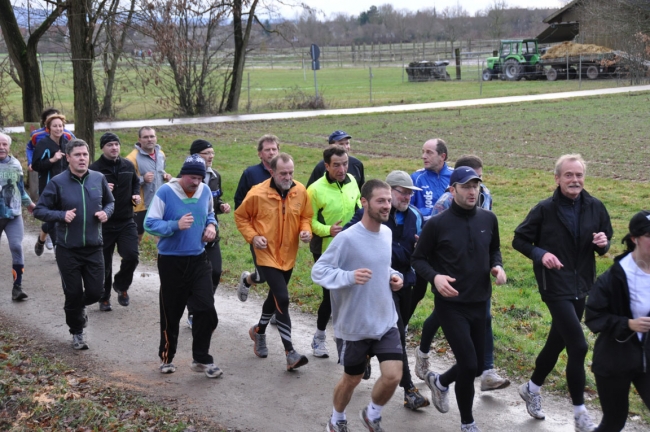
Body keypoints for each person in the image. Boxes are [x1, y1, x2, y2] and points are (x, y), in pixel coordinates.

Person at [513, 154, 613, 432]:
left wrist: (602, 244)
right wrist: (540, 253)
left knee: (557, 342)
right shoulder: (544, 209)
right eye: (568, 175)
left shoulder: (595, 207)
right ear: (557, 179)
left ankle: (531, 387)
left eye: (579, 175)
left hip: (582, 284)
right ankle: (580, 413)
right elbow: (519, 239)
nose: (574, 180)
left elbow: (605, 240)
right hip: (554, 284)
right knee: (578, 345)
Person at [411, 167, 507, 432]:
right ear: (452, 190)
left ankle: (440, 382)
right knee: (469, 363)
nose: (472, 191)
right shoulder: (437, 224)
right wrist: (436, 278)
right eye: (466, 186)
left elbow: (495, 249)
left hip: (480, 302)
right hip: (451, 305)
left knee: (474, 368)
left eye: (475, 185)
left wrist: (497, 267)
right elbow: (418, 259)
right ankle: (468, 423)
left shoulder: (488, 219)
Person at [312, 179, 404, 432]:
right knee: (352, 378)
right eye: (380, 201)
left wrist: (395, 277)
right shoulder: (347, 239)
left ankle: (372, 414)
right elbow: (319, 271)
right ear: (364, 203)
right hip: (354, 325)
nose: (387, 206)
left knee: (394, 375)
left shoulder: (386, 233)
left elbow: (381, 266)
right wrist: (349, 277)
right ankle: (337, 418)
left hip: (385, 320)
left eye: (389, 200)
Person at [344, 171, 430, 411]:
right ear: (389, 191)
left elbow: (419, 249)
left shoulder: (415, 216)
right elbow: (348, 239)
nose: (407, 197)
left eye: (411, 193)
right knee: (398, 332)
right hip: (379, 285)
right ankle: (409, 390)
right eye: (403, 192)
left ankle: (368, 353)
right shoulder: (369, 215)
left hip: (408, 283)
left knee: (393, 329)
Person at [144, 154, 222, 379]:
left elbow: (210, 214)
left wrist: (211, 227)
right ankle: (167, 357)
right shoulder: (166, 192)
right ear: (182, 174)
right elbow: (149, 223)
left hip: (198, 258)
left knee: (206, 309)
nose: (196, 182)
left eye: (199, 177)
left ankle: (201, 358)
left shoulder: (205, 191)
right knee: (172, 313)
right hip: (171, 261)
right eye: (192, 177)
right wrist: (174, 225)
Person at [33, 139, 115, 350]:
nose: (82, 158)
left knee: (97, 292)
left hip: (94, 246)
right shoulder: (57, 183)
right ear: (68, 158)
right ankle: (77, 332)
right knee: (73, 293)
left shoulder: (98, 178)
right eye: (77, 155)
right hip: (68, 248)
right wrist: (61, 215)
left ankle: (75, 308)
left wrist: (105, 213)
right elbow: (40, 210)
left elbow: (110, 202)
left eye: (85, 155)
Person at [234, 153, 313, 371]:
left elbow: (306, 216)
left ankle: (259, 331)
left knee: (274, 297)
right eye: (283, 173)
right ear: (272, 172)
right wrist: (252, 237)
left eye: (291, 173)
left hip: (288, 254)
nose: (288, 177)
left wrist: (306, 231)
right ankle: (290, 353)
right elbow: (241, 217)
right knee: (283, 298)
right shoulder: (257, 193)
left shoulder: (300, 190)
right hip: (266, 252)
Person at [585, 210, 650, 432]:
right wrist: (627, 324)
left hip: (647, 359)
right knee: (613, 423)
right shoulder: (614, 277)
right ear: (634, 239)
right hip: (615, 360)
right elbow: (593, 317)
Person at [307, 145, 361, 359]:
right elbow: (308, 221)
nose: (342, 169)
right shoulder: (315, 189)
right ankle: (319, 337)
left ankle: (348, 341)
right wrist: (328, 230)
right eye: (336, 165)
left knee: (352, 295)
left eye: (345, 164)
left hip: (351, 247)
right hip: (326, 249)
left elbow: (359, 208)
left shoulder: (353, 181)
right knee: (330, 296)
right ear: (326, 166)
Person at [89, 132, 141, 311]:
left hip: (126, 220)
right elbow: (87, 194)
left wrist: (135, 195)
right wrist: (100, 190)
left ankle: (121, 285)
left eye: (116, 144)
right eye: (110, 145)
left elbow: (136, 182)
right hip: (104, 223)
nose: (114, 148)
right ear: (103, 148)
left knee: (132, 256)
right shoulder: (94, 169)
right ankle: (104, 297)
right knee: (104, 262)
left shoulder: (128, 165)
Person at [185, 139, 231, 327]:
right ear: (195, 155)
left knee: (216, 271)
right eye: (207, 153)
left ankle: (202, 304)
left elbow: (214, 202)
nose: (211, 156)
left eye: (212, 153)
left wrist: (222, 205)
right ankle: (195, 311)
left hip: (211, 233)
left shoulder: (214, 176)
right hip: (191, 235)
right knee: (194, 275)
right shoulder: (186, 179)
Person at [234, 134, 280, 302]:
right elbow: (239, 201)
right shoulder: (251, 174)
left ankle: (277, 309)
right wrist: (252, 229)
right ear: (260, 154)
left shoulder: (284, 173)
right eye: (267, 150)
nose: (271, 153)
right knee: (262, 276)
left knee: (280, 273)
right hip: (259, 234)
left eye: (274, 149)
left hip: (281, 233)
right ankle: (247, 280)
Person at [0, 133, 35, 301]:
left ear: (9, 146)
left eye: (4, 144)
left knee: (16, 247)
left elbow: (20, 190)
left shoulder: (15, 165)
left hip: (13, 214)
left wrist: (30, 205)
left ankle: (17, 288)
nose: (1, 147)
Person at [31, 113, 70, 255]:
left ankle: (42, 239)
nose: (58, 128)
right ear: (48, 128)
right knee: (53, 218)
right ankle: (59, 252)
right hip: (48, 187)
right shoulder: (43, 144)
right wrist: (52, 160)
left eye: (60, 126)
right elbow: (35, 165)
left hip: (66, 188)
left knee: (61, 218)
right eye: (55, 126)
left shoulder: (67, 143)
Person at [126, 127, 172, 243]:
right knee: (136, 238)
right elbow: (126, 182)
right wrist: (142, 179)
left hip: (160, 201)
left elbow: (160, 171)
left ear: (156, 138)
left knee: (161, 235)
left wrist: (165, 176)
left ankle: (162, 259)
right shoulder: (131, 158)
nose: (149, 139)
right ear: (139, 139)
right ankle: (131, 260)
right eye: (146, 137)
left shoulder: (161, 154)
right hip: (140, 205)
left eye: (152, 136)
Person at [410, 138, 453, 221]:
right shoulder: (416, 178)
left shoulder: (455, 176)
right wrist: (433, 212)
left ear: (442, 156)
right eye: (423, 152)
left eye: (429, 152)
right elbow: (408, 208)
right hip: (424, 230)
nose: (424, 156)